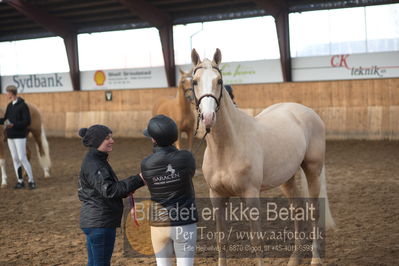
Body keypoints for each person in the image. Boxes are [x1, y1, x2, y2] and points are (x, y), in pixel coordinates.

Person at [78, 125, 144, 266]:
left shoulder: (96, 160)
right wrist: (138, 179)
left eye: (111, 137)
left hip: (95, 221)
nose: (112, 141)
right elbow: (110, 190)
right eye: (107, 138)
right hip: (100, 223)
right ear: (97, 141)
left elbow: (106, 188)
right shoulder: (95, 164)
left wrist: (128, 188)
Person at [140, 114, 198, 266]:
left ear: (154, 139)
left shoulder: (146, 164)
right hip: (184, 221)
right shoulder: (187, 157)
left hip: (159, 223)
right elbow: (189, 175)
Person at [0, 85, 35, 189]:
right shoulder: (10, 105)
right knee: (15, 158)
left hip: (20, 136)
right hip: (11, 136)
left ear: (11, 93)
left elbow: (27, 121)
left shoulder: (23, 105)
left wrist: (14, 125)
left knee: (22, 158)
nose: (6, 94)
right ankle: (20, 181)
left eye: (7, 92)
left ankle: (31, 180)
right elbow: (5, 119)